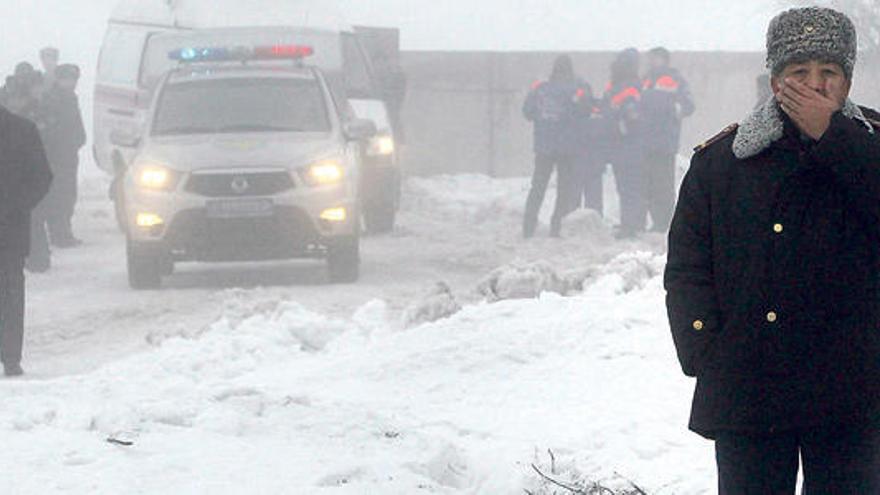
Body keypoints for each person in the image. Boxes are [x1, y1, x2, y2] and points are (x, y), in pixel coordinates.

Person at [665, 7, 880, 493]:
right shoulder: (724, 160)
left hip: (854, 386)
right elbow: (688, 266)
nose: (815, 85)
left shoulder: (869, 144)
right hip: (750, 385)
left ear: (847, 81)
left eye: (828, 73)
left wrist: (837, 138)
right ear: (775, 80)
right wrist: (705, 349)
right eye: (798, 72)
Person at [0, 103, 53, 377]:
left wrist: (18, 206)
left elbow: (43, 176)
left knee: (10, 293)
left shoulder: (22, 130)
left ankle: (10, 357)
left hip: (9, 230)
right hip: (12, 227)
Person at [522, 55, 585, 238]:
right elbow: (583, 111)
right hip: (567, 147)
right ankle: (556, 227)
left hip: (544, 146)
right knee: (564, 189)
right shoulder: (576, 88)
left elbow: (527, 112)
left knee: (538, 187)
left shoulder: (540, 88)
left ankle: (528, 226)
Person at [640, 47, 695, 233]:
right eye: (650, 58)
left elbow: (688, 105)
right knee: (648, 183)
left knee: (663, 182)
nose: (651, 62)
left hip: (665, 141)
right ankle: (656, 221)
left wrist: (671, 110)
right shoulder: (645, 80)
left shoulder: (675, 79)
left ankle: (667, 221)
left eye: (655, 58)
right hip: (646, 140)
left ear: (664, 59)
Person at [601, 49, 646, 239]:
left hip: (626, 143)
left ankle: (631, 226)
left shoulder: (625, 88)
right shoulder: (622, 86)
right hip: (623, 144)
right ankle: (630, 223)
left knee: (628, 187)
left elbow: (632, 117)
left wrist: (619, 129)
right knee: (628, 186)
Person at [40, 64, 86, 248]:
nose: (72, 82)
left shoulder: (69, 97)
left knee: (68, 195)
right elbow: (53, 129)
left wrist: (78, 140)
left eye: (74, 79)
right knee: (59, 195)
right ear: (60, 79)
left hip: (68, 154)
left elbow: (75, 124)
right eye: (69, 78)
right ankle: (59, 234)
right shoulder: (53, 99)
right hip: (57, 156)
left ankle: (63, 232)